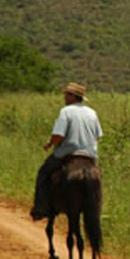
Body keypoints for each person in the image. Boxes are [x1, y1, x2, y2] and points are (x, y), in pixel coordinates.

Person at [30, 83, 102, 221]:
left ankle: (40, 208)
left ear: (73, 96)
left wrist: (50, 143)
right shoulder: (92, 113)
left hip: (67, 154)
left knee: (43, 173)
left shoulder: (66, 111)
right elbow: (98, 136)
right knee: (96, 178)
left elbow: (59, 135)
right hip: (89, 156)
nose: (64, 97)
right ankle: (96, 208)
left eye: (67, 94)